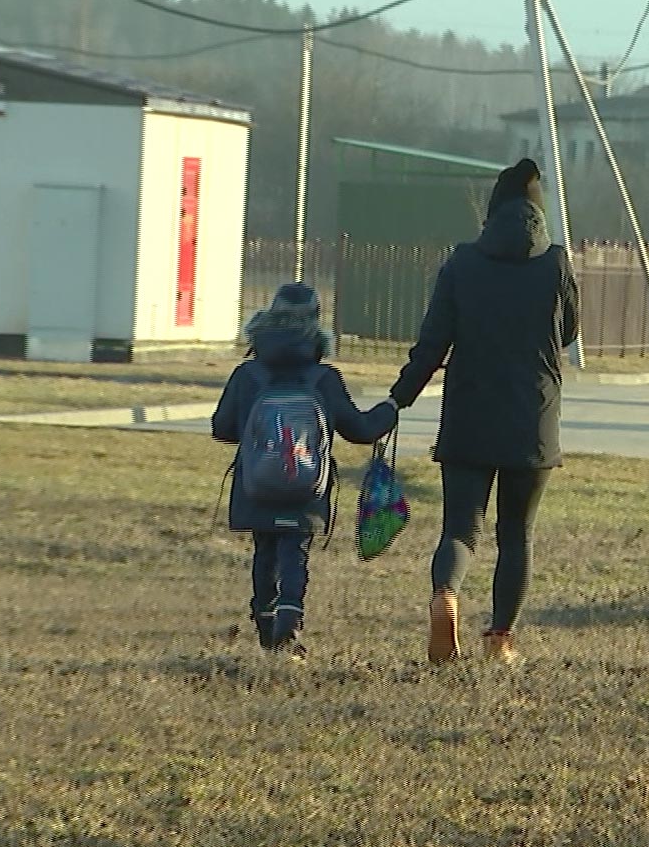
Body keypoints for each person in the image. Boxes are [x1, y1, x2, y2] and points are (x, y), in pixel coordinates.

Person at [389, 158, 580, 666]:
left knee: (460, 530)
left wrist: (398, 398)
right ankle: (499, 641)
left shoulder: (462, 263)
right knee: (516, 534)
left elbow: (432, 343)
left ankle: (446, 596)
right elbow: (569, 333)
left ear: (490, 216)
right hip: (532, 421)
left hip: (469, 416)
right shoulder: (556, 264)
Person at [212, 282, 397, 659]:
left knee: (264, 549)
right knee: (295, 551)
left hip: (256, 483)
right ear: (317, 322)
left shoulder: (247, 375)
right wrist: (390, 410)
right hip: (307, 486)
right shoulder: (324, 378)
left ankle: (265, 624)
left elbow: (222, 428)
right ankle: (289, 623)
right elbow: (360, 430)